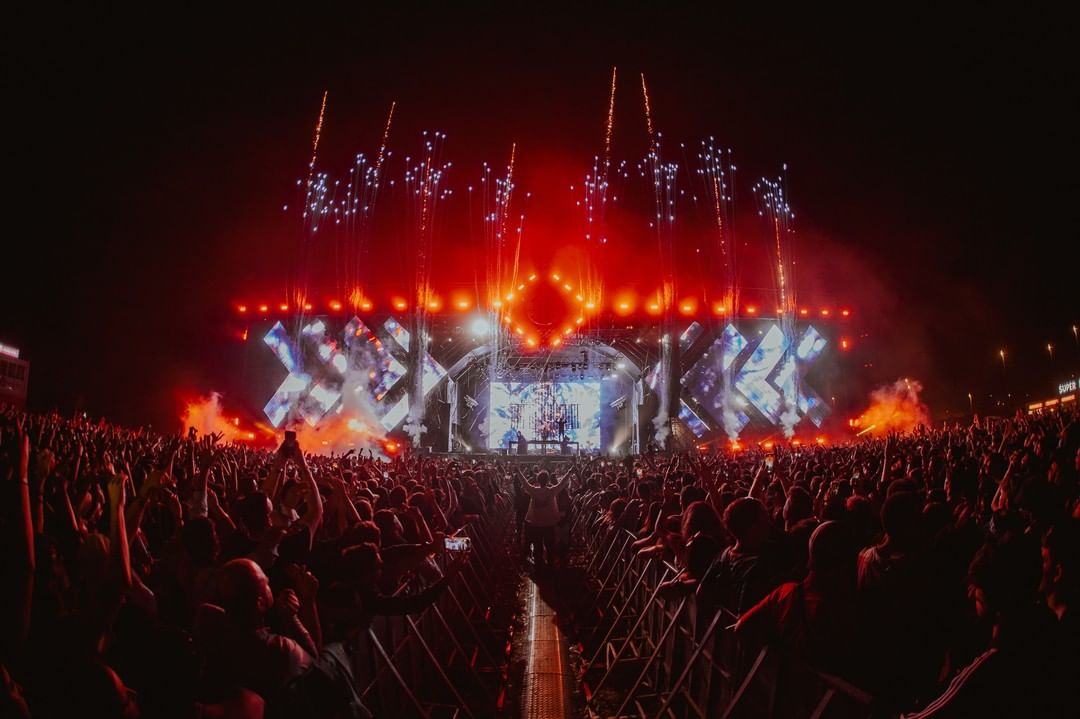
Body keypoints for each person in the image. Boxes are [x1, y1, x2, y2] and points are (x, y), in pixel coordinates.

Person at [521, 468, 569, 569]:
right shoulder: (552, 491)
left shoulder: (533, 491)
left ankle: (539, 565)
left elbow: (524, 483)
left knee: (537, 545)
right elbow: (562, 483)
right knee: (550, 545)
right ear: (547, 480)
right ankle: (550, 564)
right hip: (549, 524)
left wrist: (518, 472)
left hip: (536, 523)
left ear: (538, 480)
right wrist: (570, 472)